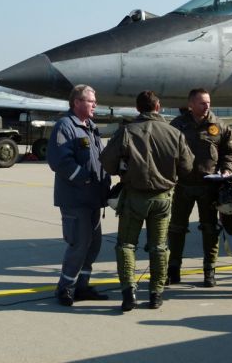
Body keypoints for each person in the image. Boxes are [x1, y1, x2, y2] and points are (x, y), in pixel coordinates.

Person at [100, 90, 194, 311]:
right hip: (162, 199)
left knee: (126, 245)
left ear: (137, 108)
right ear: (158, 107)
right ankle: (156, 294)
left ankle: (128, 293)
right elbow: (187, 167)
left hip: (134, 197)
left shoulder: (126, 131)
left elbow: (107, 163)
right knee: (159, 247)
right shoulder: (175, 133)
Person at [47, 84, 111, 306]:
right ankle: (65, 288)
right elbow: (59, 161)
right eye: (91, 101)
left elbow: (99, 158)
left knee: (94, 245)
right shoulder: (65, 126)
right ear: (77, 102)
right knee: (79, 244)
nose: (95, 104)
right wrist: (85, 178)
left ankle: (82, 286)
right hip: (75, 199)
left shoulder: (91, 127)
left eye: (94, 101)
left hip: (93, 199)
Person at [167, 88, 232, 288]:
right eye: (202, 103)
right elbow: (168, 151)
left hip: (209, 187)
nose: (207, 106)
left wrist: (226, 169)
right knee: (176, 228)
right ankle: (173, 269)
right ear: (191, 105)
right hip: (183, 185)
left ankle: (209, 270)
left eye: (208, 102)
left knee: (210, 229)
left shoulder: (219, 126)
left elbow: (230, 151)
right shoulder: (178, 125)